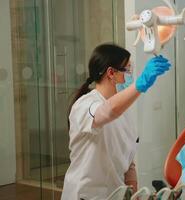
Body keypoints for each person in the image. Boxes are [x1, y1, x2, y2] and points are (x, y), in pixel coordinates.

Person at [61, 43, 171, 200]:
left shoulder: (125, 113)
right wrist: (139, 85)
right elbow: (107, 112)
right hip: (85, 195)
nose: (130, 76)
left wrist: (134, 194)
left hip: (115, 195)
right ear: (111, 73)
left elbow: (128, 163)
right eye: (127, 70)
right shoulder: (84, 105)